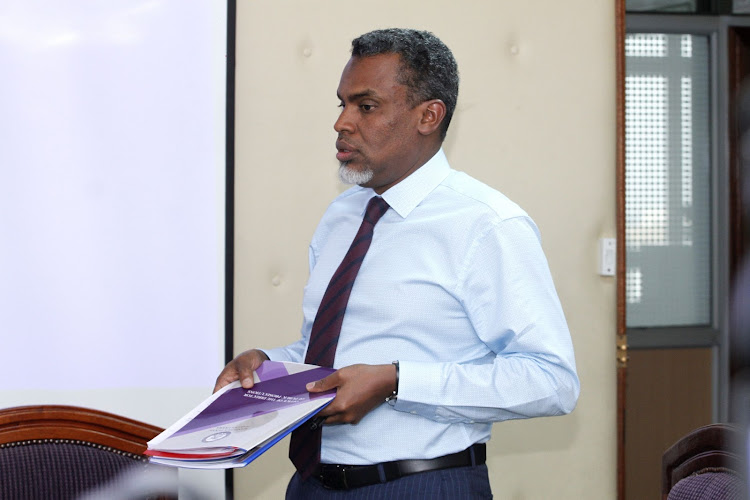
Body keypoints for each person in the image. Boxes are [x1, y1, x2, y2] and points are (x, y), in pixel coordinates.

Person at [215, 28, 580, 499]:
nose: (342, 123)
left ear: (429, 115)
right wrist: (267, 366)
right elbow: (328, 352)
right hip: (311, 485)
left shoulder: (487, 224)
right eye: (342, 103)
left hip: (423, 484)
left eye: (365, 107)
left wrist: (396, 382)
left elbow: (551, 381)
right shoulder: (342, 215)